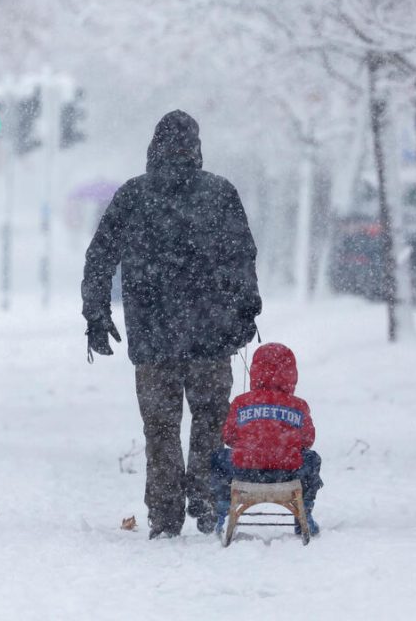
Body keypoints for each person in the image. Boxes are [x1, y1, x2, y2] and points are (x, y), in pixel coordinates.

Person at [82, 110, 262, 539]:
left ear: (153, 147)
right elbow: (242, 257)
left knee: (160, 428)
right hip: (210, 334)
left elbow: (101, 256)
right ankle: (203, 497)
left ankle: (164, 513)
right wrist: (245, 311)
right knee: (210, 421)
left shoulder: (134, 195)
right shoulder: (220, 194)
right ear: (197, 148)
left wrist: (96, 313)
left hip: (153, 336)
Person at [211, 342, 323, 535]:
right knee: (312, 459)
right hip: (287, 473)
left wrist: (251, 443)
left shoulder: (241, 402)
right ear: (291, 373)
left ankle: (223, 512)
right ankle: (304, 511)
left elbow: (228, 436)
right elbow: (307, 440)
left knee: (217, 459)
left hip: (244, 471)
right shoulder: (298, 405)